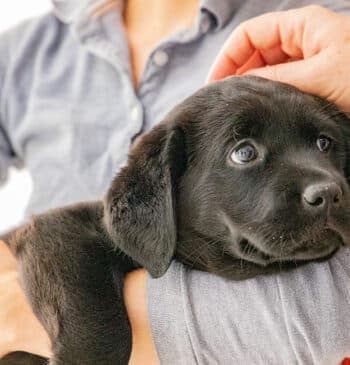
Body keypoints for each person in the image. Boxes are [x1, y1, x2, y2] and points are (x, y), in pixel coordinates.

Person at [1, 1, 350, 364]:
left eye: (324, 143)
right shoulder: (25, 53)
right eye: (244, 153)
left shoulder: (326, 34)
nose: (323, 185)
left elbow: (336, 312)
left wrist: (22, 317)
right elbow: (62, 236)